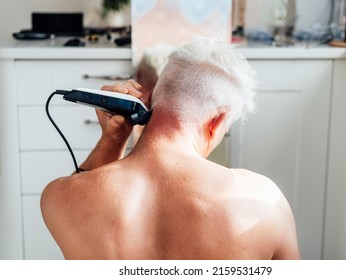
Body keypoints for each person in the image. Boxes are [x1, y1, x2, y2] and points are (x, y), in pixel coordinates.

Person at [40, 37, 301, 260]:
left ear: (150, 99)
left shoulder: (60, 198)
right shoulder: (265, 203)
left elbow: (82, 190)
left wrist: (112, 140)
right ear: (217, 122)